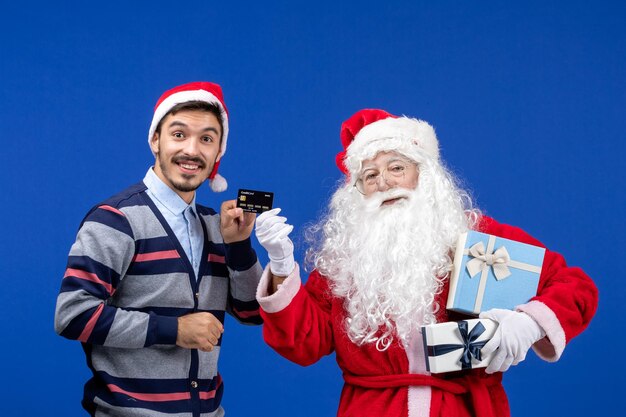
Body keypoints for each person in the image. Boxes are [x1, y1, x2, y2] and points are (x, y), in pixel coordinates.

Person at [254, 109, 598, 417]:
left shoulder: (476, 235)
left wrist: (528, 324)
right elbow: (304, 343)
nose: (384, 182)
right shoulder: (346, 257)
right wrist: (282, 266)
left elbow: (575, 287)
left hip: (466, 407)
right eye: (370, 176)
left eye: (397, 168)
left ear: (425, 174)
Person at [54, 81, 263, 417]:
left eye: (207, 138)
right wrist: (175, 329)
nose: (192, 151)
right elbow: (72, 315)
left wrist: (239, 244)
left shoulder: (215, 225)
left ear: (218, 152)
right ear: (155, 140)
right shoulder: (116, 219)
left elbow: (254, 313)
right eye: (179, 134)